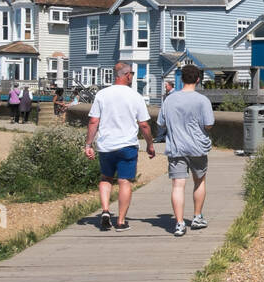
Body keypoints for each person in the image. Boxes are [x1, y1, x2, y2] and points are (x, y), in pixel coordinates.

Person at [84, 62, 155, 232]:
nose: (132, 76)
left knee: (106, 178)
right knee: (124, 182)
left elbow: (94, 121)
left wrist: (88, 144)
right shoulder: (135, 96)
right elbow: (144, 125)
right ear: (127, 75)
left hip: (106, 145)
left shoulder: (102, 95)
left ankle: (106, 211)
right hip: (127, 145)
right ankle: (121, 221)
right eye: (131, 73)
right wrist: (150, 144)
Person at [157, 64, 215, 237]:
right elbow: (209, 124)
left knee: (178, 185)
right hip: (198, 147)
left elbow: (161, 123)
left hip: (176, 147)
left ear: (181, 79)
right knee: (199, 181)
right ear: (198, 79)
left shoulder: (170, 100)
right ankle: (197, 217)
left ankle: (179, 223)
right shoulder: (202, 100)